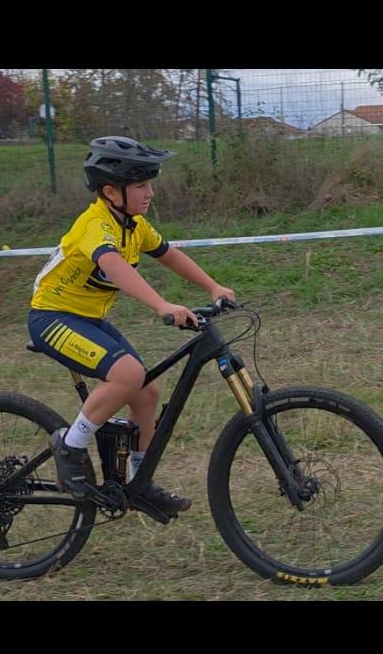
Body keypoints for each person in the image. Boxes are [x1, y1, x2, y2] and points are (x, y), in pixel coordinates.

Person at [28, 136, 236, 513]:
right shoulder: (95, 225)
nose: (150, 193)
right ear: (110, 191)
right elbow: (114, 267)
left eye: (150, 184)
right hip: (51, 317)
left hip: (88, 317)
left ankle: (138, 480)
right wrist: (161, 304)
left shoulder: (134, 225)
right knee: (127, 374)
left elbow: (169, 254)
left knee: (147, 389)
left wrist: (213, 286)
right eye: (141, 185)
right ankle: (69, 444)